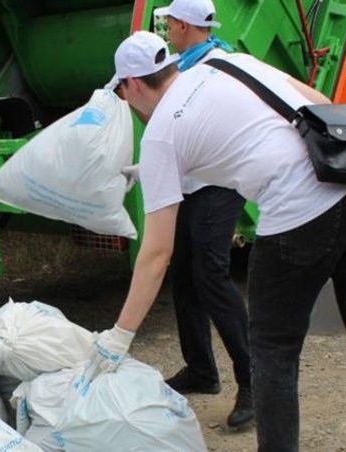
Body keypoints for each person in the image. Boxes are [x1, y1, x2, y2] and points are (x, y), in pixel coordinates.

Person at [91, 31, 346, 451]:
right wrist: (157, 170)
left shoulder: (160, 133)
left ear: (133, 83)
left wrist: (120, 334)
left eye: (122, 93)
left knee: (273, 349)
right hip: (345, 180)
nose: (126, 104)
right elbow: (320, 102)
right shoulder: (226, 64)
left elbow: (157, 254)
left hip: (296, 211)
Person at [151, 0, 253, 428]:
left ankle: (253, 382)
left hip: (220, 182)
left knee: (211, 276)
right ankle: (201, 371)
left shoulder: (220, 65)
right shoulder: (184, 63)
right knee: (184, 274)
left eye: (170, 23)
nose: (167, 30)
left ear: (182, 24)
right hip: (191, 182)